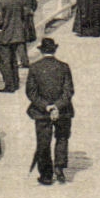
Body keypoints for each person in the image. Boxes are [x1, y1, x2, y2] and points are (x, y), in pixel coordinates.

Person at [25, 38, 73, 185]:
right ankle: (59, 167)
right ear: (54, 50)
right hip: (63, 110)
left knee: (43, 142)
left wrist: (47, 107)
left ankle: (46, 175)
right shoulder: (64, 67)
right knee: (62, 137)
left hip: (41, 112)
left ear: (41, 51)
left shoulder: (34, 68)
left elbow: (31, 92)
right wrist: (57, 106)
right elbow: (69, 91)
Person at [0, 0, 27, 93]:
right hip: (17, 35)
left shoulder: (1, 3)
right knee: (14, 60)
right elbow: (22, 16)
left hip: (5, 37)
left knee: (5, 62)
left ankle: (9, 85)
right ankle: (16, 83)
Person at [10, 0, 38, 64]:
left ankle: (24, 61)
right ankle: (24, 59)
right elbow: (35, 4)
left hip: (21, 18)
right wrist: (31, 11)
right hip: (29, 17)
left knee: (20, 39)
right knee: (26, 38)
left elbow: (16, 7)